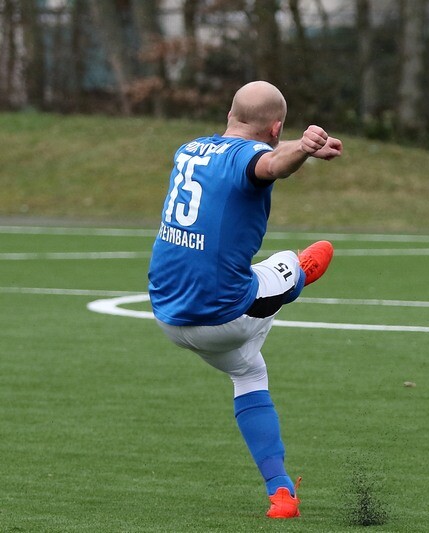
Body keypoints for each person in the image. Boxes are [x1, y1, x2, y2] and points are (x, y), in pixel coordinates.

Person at [147, 81, 342, 518]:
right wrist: (303, 149)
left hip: (167, 315)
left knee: (250, 372)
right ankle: (296, 276)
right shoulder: (255, 157)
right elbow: (269, 164)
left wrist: (304, 148)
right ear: (276, 128)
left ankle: (281, 493)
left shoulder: (189, 149)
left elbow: (258, 153)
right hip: (224, 314)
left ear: (230, 115)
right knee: (290, 259)